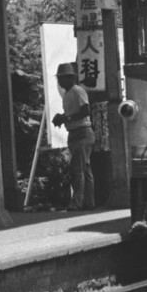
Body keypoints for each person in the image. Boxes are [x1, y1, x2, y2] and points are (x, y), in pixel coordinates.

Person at [52, 62, 95, 211]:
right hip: (75, 132)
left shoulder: (78, 91)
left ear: (71, 78)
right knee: (85, 169)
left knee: (77, 170)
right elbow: (72, 114)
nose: (60, 81)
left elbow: (86, 111)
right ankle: (89, 202)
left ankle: (77, 202)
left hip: (82, 132)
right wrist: (62, 117)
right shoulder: (67, 94)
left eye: (62, 78)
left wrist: (66, 119)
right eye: (59, 78)